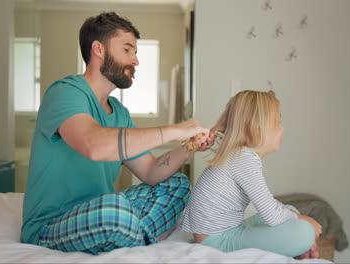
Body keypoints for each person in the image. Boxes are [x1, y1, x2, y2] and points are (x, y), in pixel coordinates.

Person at [21, 11, 214, 255]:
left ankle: (129, 233)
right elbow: (94, 144)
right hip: (50, 226)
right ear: (98, 49)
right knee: (114, 209)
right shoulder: (65, 92)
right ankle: (138, 234)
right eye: (127, 49)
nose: (135, 61)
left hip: (99, 213)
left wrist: (189, 145)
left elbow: (151, 172)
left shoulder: (120, 112)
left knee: (177, 184)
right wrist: (174, 130)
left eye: (135, 52)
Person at [179, 90, 322, 258]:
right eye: (278, 122)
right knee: (303, 230)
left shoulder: (239, 155)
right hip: (218, 241)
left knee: (290, 210)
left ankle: (303, 248)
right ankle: (304, 246)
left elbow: (270, 207)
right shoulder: (244, 159)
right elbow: (272, 216)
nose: (282, 128)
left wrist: (297, 217)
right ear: (258, 128)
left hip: (226, 231)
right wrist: (304, 222)